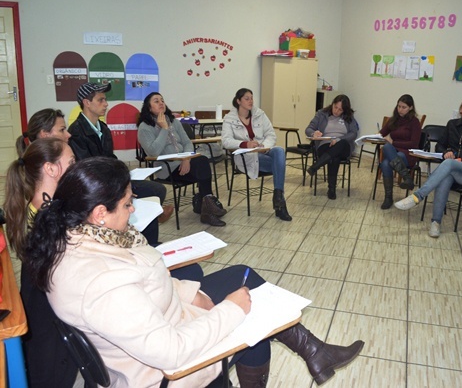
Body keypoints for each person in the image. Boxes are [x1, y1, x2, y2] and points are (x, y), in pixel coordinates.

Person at [24, 156, 364, 387]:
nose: (132, 209)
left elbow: (145, 281)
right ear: (99, 212)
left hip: (165, 320)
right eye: (127, 203)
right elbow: (170, 352)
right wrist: (231, 311)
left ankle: (314, 352)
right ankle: (314, 353)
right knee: (251, 321)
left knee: (244, 278)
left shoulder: (78, 235)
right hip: (166, 372)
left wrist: (193, 294)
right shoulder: (99, 281)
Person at [3, 138, 79, 387]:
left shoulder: (34, 208)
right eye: (72, 162)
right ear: (51, 169)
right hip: (51, 336)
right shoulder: (50, 219)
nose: (76, 169)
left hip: (42, 325)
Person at [68, 82, 174, 230]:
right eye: (101, 100)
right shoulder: (77, 132)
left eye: (105, 99)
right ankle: (140, 226)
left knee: (157, 190)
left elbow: (110, 158)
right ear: (87, 103)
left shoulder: (103, 128)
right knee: (147, 193)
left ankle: (144, 229)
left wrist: (124, 176)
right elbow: (87, 169)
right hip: (97, 187)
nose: (106, 104)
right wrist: (119, 184)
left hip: (110, 180)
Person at [394, 96, 462, 238]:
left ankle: (417, 196)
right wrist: (446, 152)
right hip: (451, 169)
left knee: (449, 164)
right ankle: (435, 223)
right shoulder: (452, 124)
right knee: (445, 177)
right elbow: (440, 145)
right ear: (461, 109)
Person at [137, 92, 227, 226]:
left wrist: (186, 159)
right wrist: (164, 129)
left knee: (202, 160)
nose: (161, 103)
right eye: (156, 101)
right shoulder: (144, 128)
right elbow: (153, 152)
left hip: (186, 164)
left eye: (162, 100)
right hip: (168, 169)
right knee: (202, 165)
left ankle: (206, 206)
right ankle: (208, 205)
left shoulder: (173, 121)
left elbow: (187, 142)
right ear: (149, 108)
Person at [221, 88, 291, 221]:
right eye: (246, 98)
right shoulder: (229, 119)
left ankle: (278, 197)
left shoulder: (260, 114)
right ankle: (280, 205)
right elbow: (226, 141)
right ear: (238, 101)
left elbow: (271, 134)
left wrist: (264, 146)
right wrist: (245, 144)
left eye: (252, 98)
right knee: (279, 165)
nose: (250, 101)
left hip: (263, 152)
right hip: (246, 157)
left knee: (279, 151)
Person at [305, 95, 359, 200]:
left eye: (340, 110)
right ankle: (331, 189)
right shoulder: (321, 114)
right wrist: (313, 133)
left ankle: (316, 166)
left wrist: (339, 139)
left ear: (345, 110)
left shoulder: (349, 117)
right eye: (335, 107)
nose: (336, 111)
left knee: (341, 144)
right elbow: (309, 128)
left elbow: (353, 133)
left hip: (343, 146)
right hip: (325, 145)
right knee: (334, 157)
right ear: (332, 104)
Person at [378, 94, 422, 209]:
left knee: (388, 149)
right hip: (394, 153)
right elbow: (381, 133)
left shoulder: (415, 122)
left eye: (404, 107)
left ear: (411, 108)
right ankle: (393, 193)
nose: (400, 109)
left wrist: (393, 143)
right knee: (386, 162)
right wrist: (374, 136)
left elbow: (414, 144)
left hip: (408, 154)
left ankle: (390, 196)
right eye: (399, 106)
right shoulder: (394, 120)